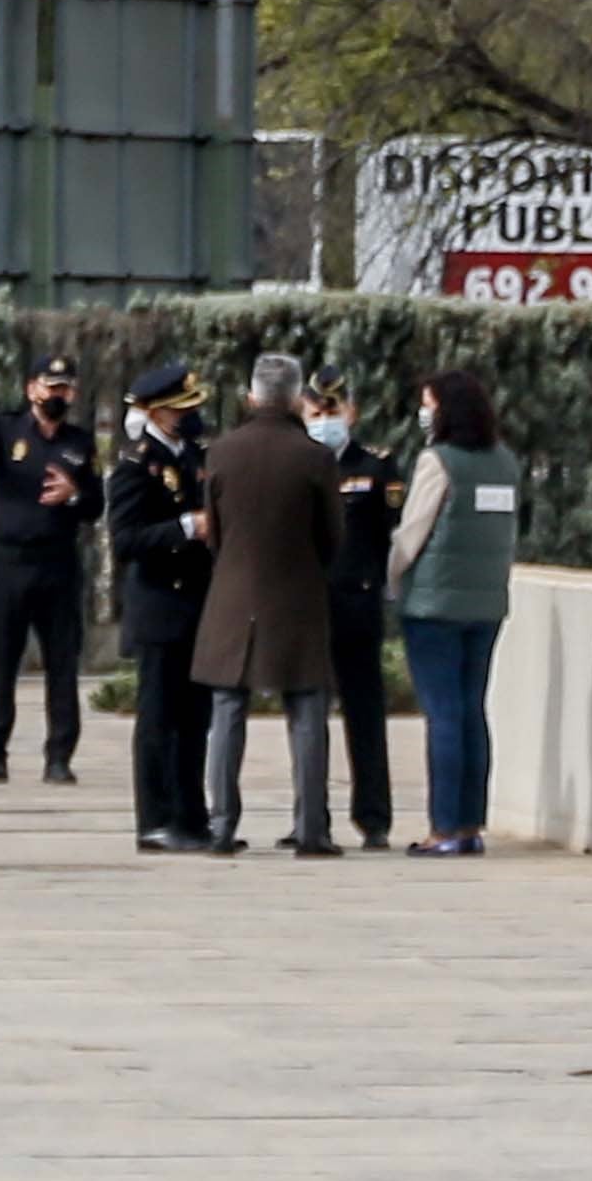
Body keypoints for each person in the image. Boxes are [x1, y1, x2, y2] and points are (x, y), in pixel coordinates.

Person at [194, 351, 350, 859]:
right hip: (298, 594)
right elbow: (332, 537)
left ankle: (220, 824)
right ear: (297, 398)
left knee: (227, 710)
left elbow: (213, 533)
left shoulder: (221, 452)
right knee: (307, 711)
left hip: (234, 592)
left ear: (253, 395)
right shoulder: (315, 458)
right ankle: (311, 828)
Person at [0, 351, 96, 786]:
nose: (58, 395)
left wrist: (73, 493)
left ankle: (59, 757)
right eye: (51, 387)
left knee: (62, 665)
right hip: (8, 564)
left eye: (65, 388)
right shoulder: (5, 429)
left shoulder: (80, 443)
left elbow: (96, 505)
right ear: (32, 389)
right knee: (1, 663)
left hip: (58, 565)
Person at [390, 369, 523, 856]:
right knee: (472, 710)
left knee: (442, 713)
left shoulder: (437, 462)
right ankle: (470, 826)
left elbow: (413, 532)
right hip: (486, 604)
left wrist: (391, 576)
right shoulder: (505, 462)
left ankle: (443, 827)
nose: (424, 412)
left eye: (428, 403)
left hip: (433, 605)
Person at [106, 362, 219, 853]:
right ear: (156, 412)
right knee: (158, 718)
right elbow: (126, 539)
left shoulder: (196, 456)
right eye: (180, 409)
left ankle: (192, 816)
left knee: (197, 718)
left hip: (197, 601)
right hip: (159, 602)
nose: (189, 417)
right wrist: (187, 528)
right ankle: (155, 819)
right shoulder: (136, 464)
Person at [306, 379, 404, 850]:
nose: (325, 417)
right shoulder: (298, 465)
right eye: (317, 408)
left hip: (357, 602)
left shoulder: (376, 465)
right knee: (307, 714)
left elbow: (391, 533)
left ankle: (374, 817)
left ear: (352, 410)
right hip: (307, 604)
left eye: (333, 407)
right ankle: (309, 816)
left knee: (364, 713)